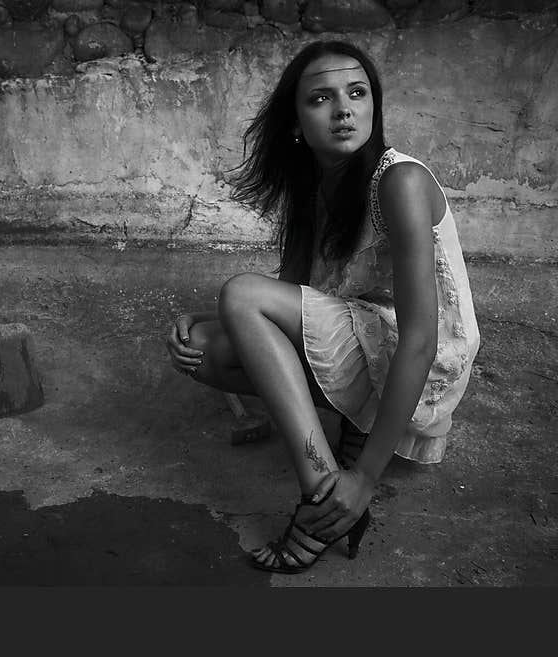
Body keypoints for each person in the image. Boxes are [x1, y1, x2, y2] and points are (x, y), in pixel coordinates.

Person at [165, 40, 480, 574]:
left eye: (357, 93)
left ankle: (322, 502)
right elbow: (296, 294)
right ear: (295, 121)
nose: (344, 110)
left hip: (420, 363)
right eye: (321, 99)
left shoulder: (399, 181)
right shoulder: (312, 184)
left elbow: (422, 339)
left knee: (240, 293)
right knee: (204, 347)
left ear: (374, 105)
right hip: (362, 338)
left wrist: (364, 479)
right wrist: (219, 321)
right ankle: (350, 428)